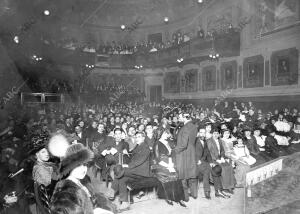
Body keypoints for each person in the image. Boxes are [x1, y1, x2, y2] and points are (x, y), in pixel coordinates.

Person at [50, 143, 116, 214]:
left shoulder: (84, 181)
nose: (83, 169)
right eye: (78, 165)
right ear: (69, 167)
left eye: (85, 165)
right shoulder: (64, 189)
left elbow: (92, 199)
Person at [111, 132, 153, 212]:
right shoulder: (137, 146)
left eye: (139, 137)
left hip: (142, 172)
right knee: (122, 179)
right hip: (135, 171)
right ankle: (125, 203)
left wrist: (128, 166)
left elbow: (140, 161)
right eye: (136, 137)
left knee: (119, 169)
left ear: (144, 138)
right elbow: (133, 158)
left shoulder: (146, 147)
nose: (137, 138)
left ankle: (113, 189)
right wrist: (127, 154)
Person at [153, 129, 186, 206]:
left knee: (177, 175)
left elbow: (170, 155)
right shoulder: (157, 144)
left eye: (167, 133)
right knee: (170, 176)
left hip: (169, 163)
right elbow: (157, 159)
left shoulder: (167, 142)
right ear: (160, 133)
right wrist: (167, 166)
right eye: (165, 133)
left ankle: (179, 198)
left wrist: (171, 164)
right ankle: (169, 197)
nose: (167, 135)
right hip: (160, 166)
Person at [195, 126, 227, 199]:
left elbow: (208, 153)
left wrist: (211, 162)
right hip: (197, 163)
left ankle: (218, 191)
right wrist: (197, 160)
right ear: (198, 133)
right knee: (208, 171)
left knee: (216, 168)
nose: (203, 134)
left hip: (205, 162)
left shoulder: (205, 141)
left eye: (204, 133)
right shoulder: (195, 142)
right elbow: (191, 152)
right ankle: (207, 191)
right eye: (201, 132)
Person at [173, 113, 198, 201]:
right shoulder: (194, 126)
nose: (178, 119)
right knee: (192, 175)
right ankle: (194, 194)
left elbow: (183, 144)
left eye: (180, 117)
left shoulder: (185, 128)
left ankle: (185, 197)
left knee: (183, 175)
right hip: (192, 152)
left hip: (184, 153)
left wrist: (174, 150)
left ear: (184, 118)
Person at [207, 127, 236, 195]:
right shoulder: (209, 141)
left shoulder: (220, 141)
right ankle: (225, 187)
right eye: (214, 133)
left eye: (217, 133)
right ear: (212, 134)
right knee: (223, 168)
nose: (216, 135)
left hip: (220, 158)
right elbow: (209, 152)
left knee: (229, 166)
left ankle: (230, 186)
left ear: (219, 134)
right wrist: (216, 159)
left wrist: (222, 157)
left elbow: (222, 150)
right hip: (212, 159)